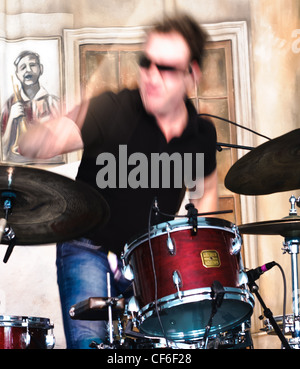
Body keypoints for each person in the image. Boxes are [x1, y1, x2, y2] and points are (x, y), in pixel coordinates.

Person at [19, 14, 218, 349]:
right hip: (87, 247)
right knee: (91, 344)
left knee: (160, 346)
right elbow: (37, 144)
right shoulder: (112, 108)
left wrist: (197, 255)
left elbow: (206, 194)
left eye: (166, 68)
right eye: (146, 63)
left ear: (191, 74)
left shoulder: (201, 134)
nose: (151, 76)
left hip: (148, 256)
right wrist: (46, 133)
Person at [0, 50, 62, 163]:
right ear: (17, 74)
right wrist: (11, 119)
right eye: (23, 67)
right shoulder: (9, 104)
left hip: (50, 164)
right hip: (18, 166)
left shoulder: (54, 103)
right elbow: (2, 147)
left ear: (41, 69)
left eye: (32, 65)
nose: (28, 70)